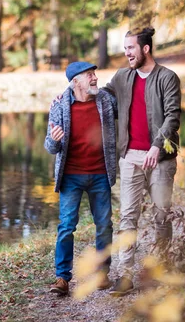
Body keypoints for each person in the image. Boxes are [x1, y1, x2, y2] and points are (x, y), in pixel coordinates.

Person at [104, 27, 182, 297]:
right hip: (130, 157)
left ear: (145, 49)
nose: (126, 53)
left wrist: (156, 146)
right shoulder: (122, 77)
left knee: (161, 215)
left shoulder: (167, 78)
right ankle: (125, 276)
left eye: (130, 48)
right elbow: (102, 98)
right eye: (125, 48)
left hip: (160, 158)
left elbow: (172, 116)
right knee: (128, 217)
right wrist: (69, 96)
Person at [44, 61, 118, 296]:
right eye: (89, 75)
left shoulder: (105, 100)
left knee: (105, 225)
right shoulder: (60, 105)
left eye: (94, 73)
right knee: (66, 227)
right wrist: (55, 140)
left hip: (100, 174)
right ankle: (62, 278)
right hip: (71, 176)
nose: (95, 78)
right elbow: (49, 147)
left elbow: (129, 102)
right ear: (75, 82)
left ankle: (102, 274)